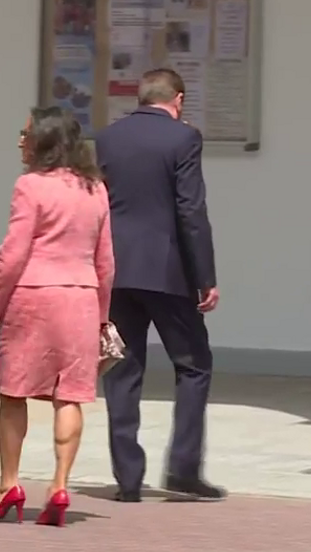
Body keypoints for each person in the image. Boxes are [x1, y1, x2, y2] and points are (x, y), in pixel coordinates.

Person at [95, 68, 225, 502]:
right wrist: (205, 278)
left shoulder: (108, 137)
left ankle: (128, 479)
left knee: (122, 369)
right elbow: (191, 210)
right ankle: (183, 469)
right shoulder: (184, 139)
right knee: (193, 365)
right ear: (179, 99)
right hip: (167, 272)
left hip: (117, 270)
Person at [0, 107, 114, 528]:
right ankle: (59, 484)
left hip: (33, 297)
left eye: (26, 134)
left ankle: (9, 485)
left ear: (46, 140)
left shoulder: (29, 186)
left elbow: (14, 253)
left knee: (13, 393)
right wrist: (102, 316)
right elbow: (106, 260)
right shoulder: (96, 189)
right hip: (81, 299)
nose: (21, 141)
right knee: (70, 395)